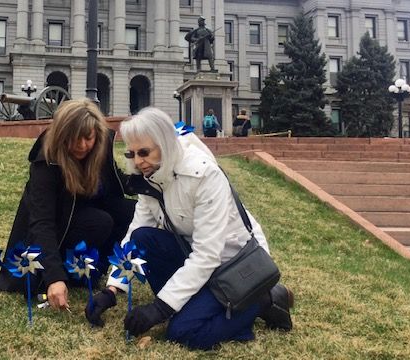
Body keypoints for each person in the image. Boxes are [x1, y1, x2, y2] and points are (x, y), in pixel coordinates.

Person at [85, 107, 293, 350]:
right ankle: (210, 304)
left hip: (233, 263)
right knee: (143, 237)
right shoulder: (150, 176)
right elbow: (136, 232)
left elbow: (208, 255)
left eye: (144, 152)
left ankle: (262, 298)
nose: (138, 161)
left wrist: (160, 308)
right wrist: (112, 289)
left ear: (165, 145)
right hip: (191, 250)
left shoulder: (204, 175)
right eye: (131, 154)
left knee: (183, 332)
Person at [0, 99, 136, 312]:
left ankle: (93, 270)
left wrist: (152, 179)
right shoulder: (46, 161)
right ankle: (68, 274)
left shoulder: (100, 146)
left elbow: (115, 183)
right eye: (74, 139)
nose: (82, 146)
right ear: (61, 136)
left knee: (129, 210)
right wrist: (53, 277)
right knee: (99, 222)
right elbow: (41, 223)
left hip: (85, 215)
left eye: (88, 138)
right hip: (57, 231)